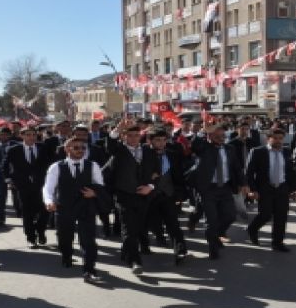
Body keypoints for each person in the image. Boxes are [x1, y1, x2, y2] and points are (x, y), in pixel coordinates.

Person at [43, 138, 107, 283]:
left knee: (88, 240)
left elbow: (100, 185)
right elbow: (48, 187)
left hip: (86, 207)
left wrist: (95, 193)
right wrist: (49, 201)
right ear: (67, 149)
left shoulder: (93, 166)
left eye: (83, 148)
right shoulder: (56, 167)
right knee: (65, 236)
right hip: (64, 207)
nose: (80, 150)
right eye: (76, 147)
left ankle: (89, 270)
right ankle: (66, 255)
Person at [104, 119, 160, 274]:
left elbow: (157, 173)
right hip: (124, 195)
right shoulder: (119, 150)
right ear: (124, 136)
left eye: (136, 135)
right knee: (128, 228)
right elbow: (110, 145)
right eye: (130, 135)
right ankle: (135, 261)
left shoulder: (148, 151)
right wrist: (116, 130)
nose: (134, 138)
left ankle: (126, 251)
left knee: (138, 228)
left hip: (143, 196)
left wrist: (150, 187)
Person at [190, 124, 248, 259]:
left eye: (223, 135)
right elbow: (195, 146)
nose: (221, 138)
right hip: (208, 189)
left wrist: (243, 183)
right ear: (210, 136)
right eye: (217, 136)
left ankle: (216, 234)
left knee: (230, 216)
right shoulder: (204, 148)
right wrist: (202, 132)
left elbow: (236, 168)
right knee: (211, 220)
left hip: (225, 188)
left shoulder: (230, 149)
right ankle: (213, 248)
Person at [246, 129, 296, 252]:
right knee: (265, 215)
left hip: (282, 188)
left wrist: (293, 189)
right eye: (275, 138)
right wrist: (252, 190)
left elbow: (291, 172)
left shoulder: (286, 151)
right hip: (265, 188)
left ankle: (277, 243)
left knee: (281, 217)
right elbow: (249, 172)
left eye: (280, 138)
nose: (278, 141)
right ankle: (252, 229)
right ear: (268, 138)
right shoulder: (258, 152)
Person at [2, 127, 52, 248]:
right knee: (27, 212)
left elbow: (50, 164)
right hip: (22, 185)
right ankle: (31, 237)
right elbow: (5, 165)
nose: (31, 137)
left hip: (41, 184)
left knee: (45, 210)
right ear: (22, 136)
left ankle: (41, 231)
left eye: (34, 135)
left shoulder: (43, 148)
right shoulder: (14, 149)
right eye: (28, 135)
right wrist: (8, 179)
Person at [145, 128, 189, 262]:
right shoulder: (144, 154)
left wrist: (180, 194)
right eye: (157, 140)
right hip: (150, 195)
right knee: (152, 222)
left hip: (168, 194)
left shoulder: (172, 155)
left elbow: (179, 176)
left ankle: (180, 249)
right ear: (150, 141)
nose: (161, 143)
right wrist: (149, 177)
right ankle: (156, 236)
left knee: (173, 223)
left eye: (164, 140)